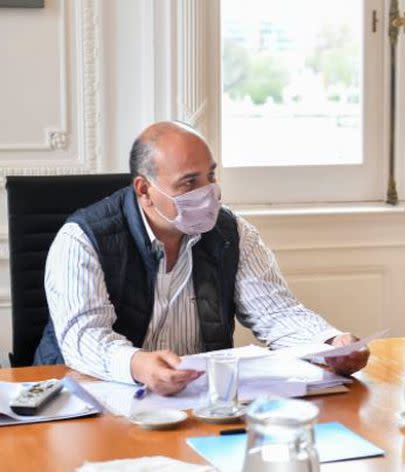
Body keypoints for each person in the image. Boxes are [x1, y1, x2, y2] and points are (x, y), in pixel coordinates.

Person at [35, 121, 369, 395]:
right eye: (189, 182)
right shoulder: (82, 238)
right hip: (93, 398)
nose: (209, 192)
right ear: (144, 190)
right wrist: (137, 365)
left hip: (196, 401)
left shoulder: (231, 233)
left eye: (210, 175)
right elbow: (83, 337)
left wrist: (329, 344)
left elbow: (276, 312)